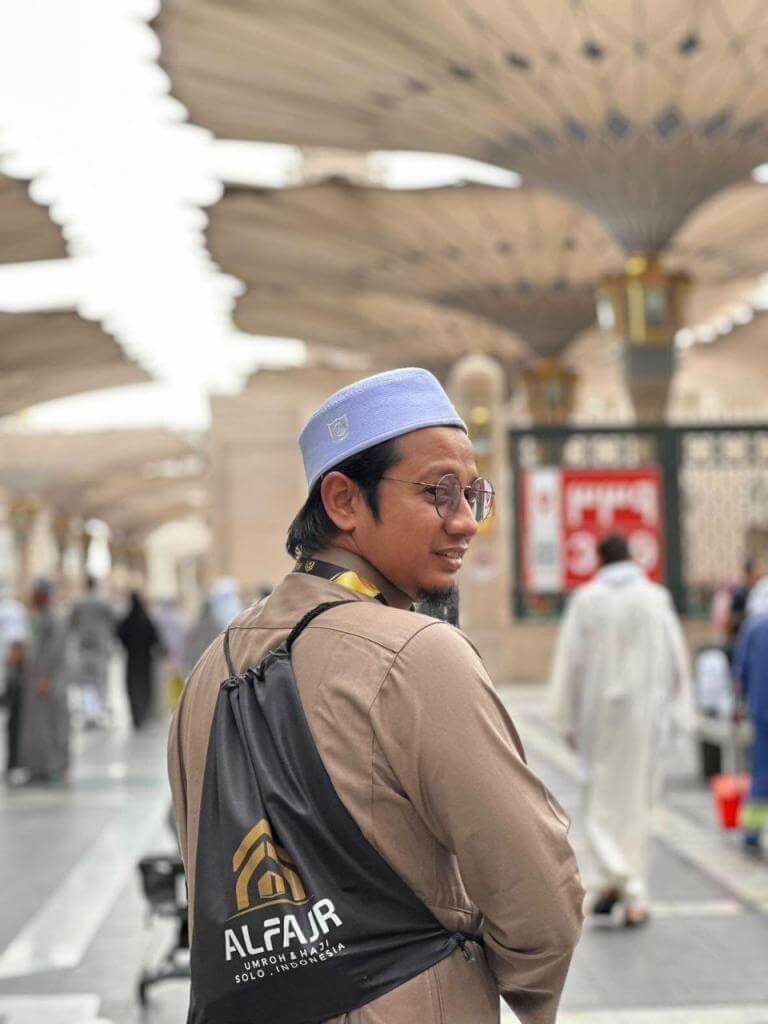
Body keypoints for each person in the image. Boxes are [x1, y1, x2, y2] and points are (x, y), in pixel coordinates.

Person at [169, 367, 584, 1024]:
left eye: (473, 494)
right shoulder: (417, 654)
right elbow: (538, 893)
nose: (465, 523)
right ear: (343, 501)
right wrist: (486, 983)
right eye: (439, 492)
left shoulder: (209, 669)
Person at [550, 533, 693, 926]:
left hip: (600, 719)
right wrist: (679, 714)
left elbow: (569, 663)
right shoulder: (655, 599)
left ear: (599, 559)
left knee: (600, 804)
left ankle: (620, 881)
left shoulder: (587, 601)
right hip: (646, 718)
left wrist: (565, 719)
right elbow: (677, 662)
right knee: (637, 804)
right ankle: (629, 889)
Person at [17, 578, 70, 784]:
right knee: (36, 728)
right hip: (37, 680)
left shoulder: (55, 619)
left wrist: (45, 677)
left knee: (51, 726)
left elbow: (54, 651)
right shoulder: (40, 617)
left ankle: (54, 767)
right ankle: (37, 769)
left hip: (49, 681)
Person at [733, 572, 768, 854]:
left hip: (761, 710)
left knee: (761, 773)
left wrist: (738, 706)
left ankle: (752, 834)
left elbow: (739, 673)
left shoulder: (753, 627)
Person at [68, 575, 116, 727]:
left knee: (87, 682)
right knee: (100, 680)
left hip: (84, 647)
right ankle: (99, 711)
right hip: (101, 648)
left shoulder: (78, 604)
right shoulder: (103, 603)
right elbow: (113, 623)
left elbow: (71, 624)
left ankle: (90, 714)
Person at [117, 591, 161, 729]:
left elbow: (119, 634)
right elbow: (155, 638)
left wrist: (128, 646)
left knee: (133, 686)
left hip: (132, 659)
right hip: (145, 660)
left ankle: (136, 716)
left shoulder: (128, 620)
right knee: (144, 686)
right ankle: (143, 715)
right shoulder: (145, 620)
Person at [0, 580, 29, 778]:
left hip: (9, 674)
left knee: (14, 720)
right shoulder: (12, 609)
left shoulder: (10, 610)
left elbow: (16, 644)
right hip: (8, 673)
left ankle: (14, 764)